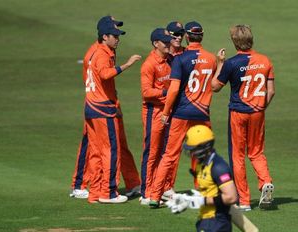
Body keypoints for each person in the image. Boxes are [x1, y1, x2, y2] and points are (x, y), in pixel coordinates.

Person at [70, 16, 141, 200]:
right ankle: (108, 192)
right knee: (111, 150)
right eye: (115, 34)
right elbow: (104, 74)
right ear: (104, 36)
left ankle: (96, 190)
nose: (118, 38)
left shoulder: (97, 51)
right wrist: (127, 65)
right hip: (102, 107)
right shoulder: (102, 54)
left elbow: (90, 79)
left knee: (98, 150)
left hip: (95, 104)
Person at [149, 21, 217, 208]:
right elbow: (215, 85)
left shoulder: (180, 59)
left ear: (187, 37)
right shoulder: (211, 59)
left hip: (181, 113)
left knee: (169, 155)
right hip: (202, 114)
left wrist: (165, 112)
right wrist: (220, 62)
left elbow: (173, 90)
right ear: (202, 36)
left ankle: (155, 196)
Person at [211, 24, 275, 211]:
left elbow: (215, 87)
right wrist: (261, 107)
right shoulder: (265, 61)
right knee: (256, 152)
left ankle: (244, 200)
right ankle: (265, 182)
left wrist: (220, 62)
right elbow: (270, 91)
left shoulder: (231, 63)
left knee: (238, 156)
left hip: (238, 113)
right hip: (257, 112)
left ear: (234, 42)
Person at [139, 28, 173, 205]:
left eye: (168, 40)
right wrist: (167, 92)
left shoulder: (170, 60)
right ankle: (146, 192)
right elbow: (146, 92)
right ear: (155, 44)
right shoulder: (149, 64)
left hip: (167, 111)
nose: (168, 43)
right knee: (151, 152)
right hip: (154, 111)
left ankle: (160, 189)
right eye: (164, 41)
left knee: (164, 151)